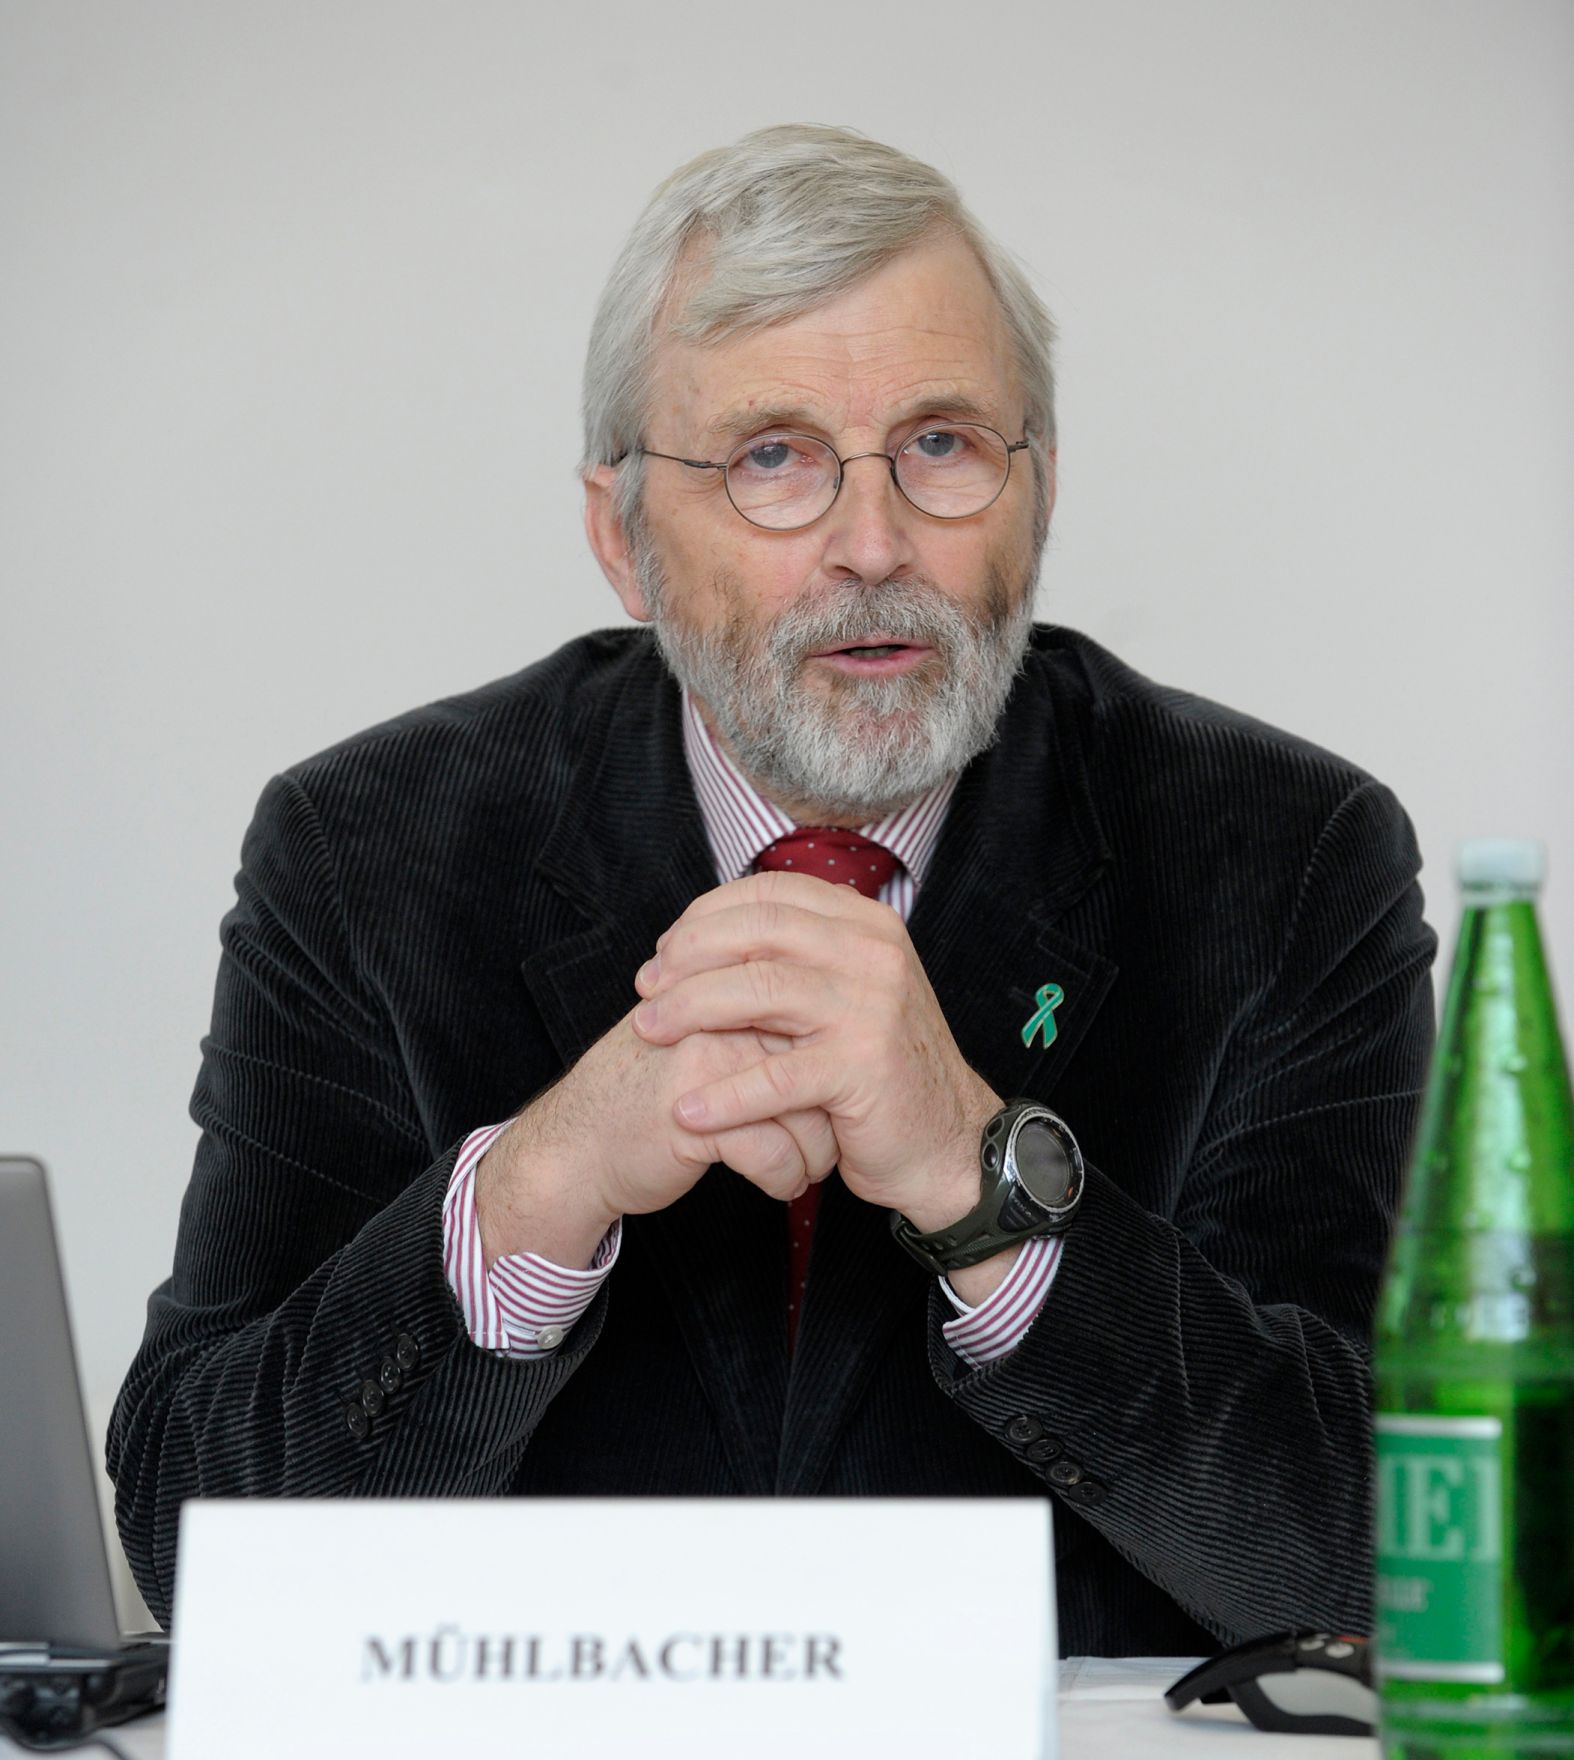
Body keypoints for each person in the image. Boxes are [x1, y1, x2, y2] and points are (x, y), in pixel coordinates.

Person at [108, 124, 1435, 1656]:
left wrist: (980, 1179)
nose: (872, 546)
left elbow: (1390, 1561)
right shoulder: (366, 848)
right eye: (771, 458)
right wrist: (533, 1195)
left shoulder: (1282, 849)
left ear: (1039, 489)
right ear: (621, 536)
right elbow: (194, 1547)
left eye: (940, 444)